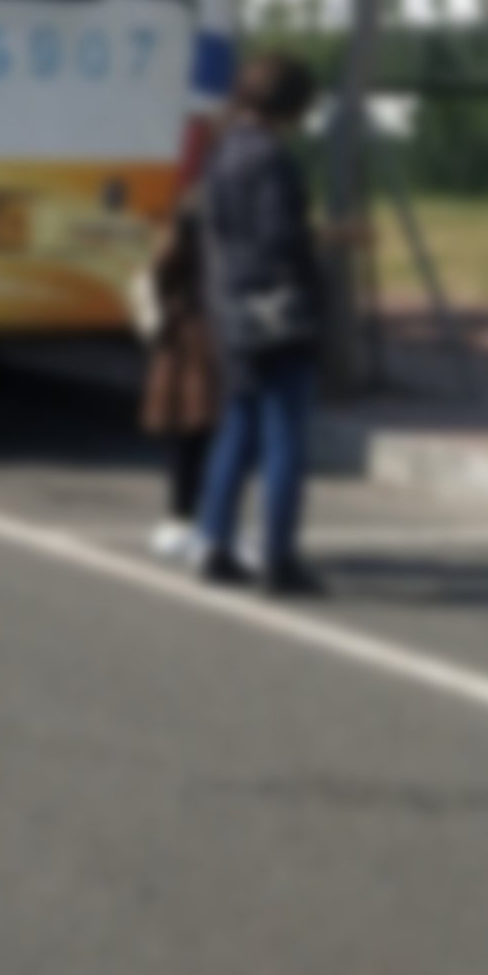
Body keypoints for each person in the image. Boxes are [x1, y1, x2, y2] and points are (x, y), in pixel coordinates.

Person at [193, 51, 327, 598]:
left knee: (238, 425)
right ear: (291, 106)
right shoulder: (272, 159)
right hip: (277, 310)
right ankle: (278, 556)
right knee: (284, 433)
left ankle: (215, 542)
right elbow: (278, 238)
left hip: (230, 304)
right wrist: (315, 254)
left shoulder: (223, 151)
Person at [138, 188, 221, 564]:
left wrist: (161, 313)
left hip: (187, 336)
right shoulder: (211, 206)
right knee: (202, 436)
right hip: (206, 335)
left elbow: (158, 272)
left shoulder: (195, 206)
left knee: (189, 437)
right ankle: (195, 519)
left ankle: (182, 518)